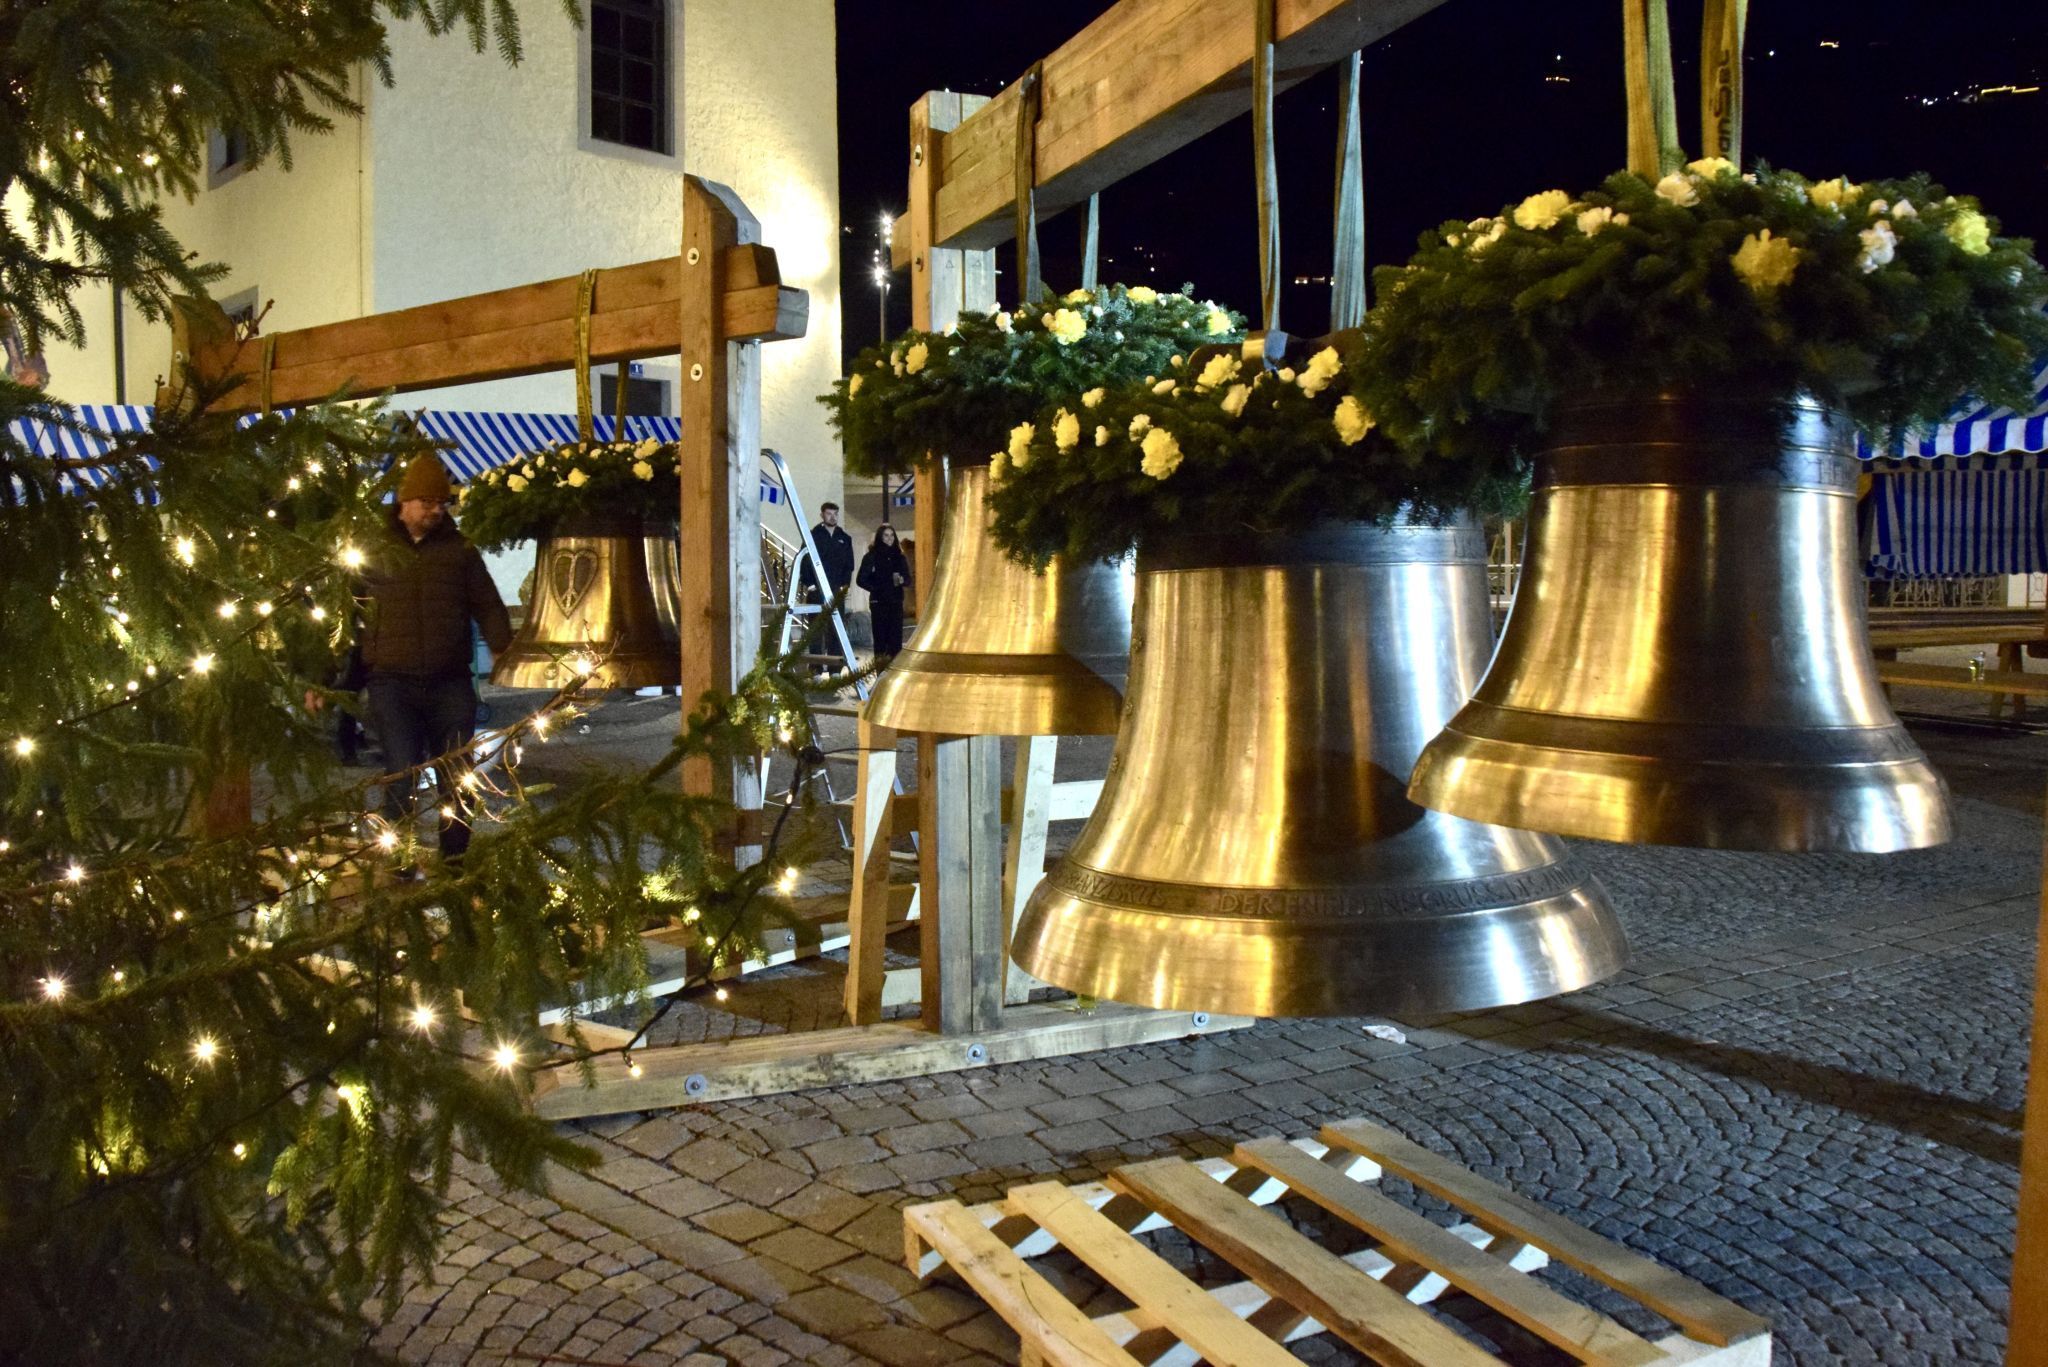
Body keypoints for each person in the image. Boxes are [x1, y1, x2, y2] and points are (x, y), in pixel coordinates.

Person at [354, 452, 512, 865]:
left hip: (449, 682)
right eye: (428, 502)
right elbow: (348, 616)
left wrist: (502, 647)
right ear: (405, 502)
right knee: (401, 773)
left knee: (457, 776)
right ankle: (401, 859)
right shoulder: (373, 551)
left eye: (441, 503)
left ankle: (454, 859)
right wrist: (331, 679)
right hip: (392, 682)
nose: (436, 510)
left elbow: (489, 603)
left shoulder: (460, 551)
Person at [802, 500, 856, 672]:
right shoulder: (813, 536)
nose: (832, 517)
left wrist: (844, 586)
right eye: (829, 514)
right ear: (822, 515)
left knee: (836, 631)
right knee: (816, 631)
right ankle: (816, 669)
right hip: (816, 591)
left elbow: (849, 565)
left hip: (836, 590)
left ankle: (835, 670)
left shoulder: (844, 538)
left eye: (835, 514)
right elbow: (804, 560)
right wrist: (810, 584)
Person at [855, 523, 911, 658]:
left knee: (896, 639)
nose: (889, 538)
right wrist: (876, 588)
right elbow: (861, 579)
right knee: (880, 639)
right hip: (879, 602)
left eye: (892, 535)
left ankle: (894, 669)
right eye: (886, 535)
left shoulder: (899, 557)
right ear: (880, 537)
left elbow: (908, 579)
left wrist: (903, 580)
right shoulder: (871, 556)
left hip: (896, 601)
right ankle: (881, 670)